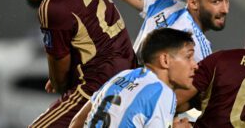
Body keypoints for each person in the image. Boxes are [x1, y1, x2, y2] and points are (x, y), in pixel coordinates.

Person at [50, 0, 231, 122]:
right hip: (112, 94)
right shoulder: (166, 4)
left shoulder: (199, 51)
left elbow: (171, 104)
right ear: (193, 2)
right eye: (216, 1)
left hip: (114, 96)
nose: (225, 9)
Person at [9, 0, 137, 127]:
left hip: (98, 88)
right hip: (130, 75)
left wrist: (57, 77)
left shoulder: (52, 7)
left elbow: (59, 79)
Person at [69, 28, 197, 128]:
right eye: (188, 57)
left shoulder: (122, 75)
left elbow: (76, 122)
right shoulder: (163, 93)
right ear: (165, 60)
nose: (195, 65)